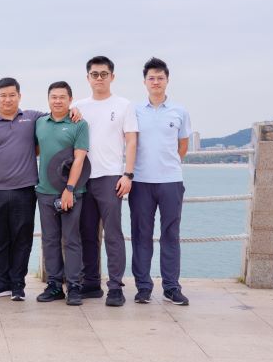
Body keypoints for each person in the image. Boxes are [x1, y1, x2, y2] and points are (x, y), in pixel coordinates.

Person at [0, 77, 79, 301]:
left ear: (19, 96)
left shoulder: (32, 118)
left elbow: (56, 113)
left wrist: (74, 110)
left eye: (12, 95)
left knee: (22, 240)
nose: (8, 99)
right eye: (3, 95)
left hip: (25, 191)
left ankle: (17, 285)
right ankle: (0, 283)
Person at [73, 56, 138, 307]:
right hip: (83, 177)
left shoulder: (123, 105)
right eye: (94, 74)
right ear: (87, 77)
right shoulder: (78, 106)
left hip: (110, 177)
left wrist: (127, 174)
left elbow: (131, 141)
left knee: (113, 234)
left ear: (112, 76)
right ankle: (91, 283)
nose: (99, 78)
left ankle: (115, 287)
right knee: (87, 233)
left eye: (103, 74)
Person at [129, 57, 192, 305]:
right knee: (141, 235)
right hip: (140, 182)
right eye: (151, 78)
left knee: (170, 235)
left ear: (167, 80)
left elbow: (183, 144)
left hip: (171, 182)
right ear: (144, 82)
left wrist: (169, 165)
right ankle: (143, 287)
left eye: (160, 78)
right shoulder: (134, 111)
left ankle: (171, 287)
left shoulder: (180, 111)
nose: (156, 82)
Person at [35, 82, 89, 306]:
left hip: (72, 192)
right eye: (54, 97)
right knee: (49, 240)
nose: (57, 101)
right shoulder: (40, 122)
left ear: (70, 99)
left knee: (72, 240)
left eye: (62, 97)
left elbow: (79, 159)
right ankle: (54, 285)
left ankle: (74, 286)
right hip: (45, 192)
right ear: (48, 99)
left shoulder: (79, 124)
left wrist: (69, 189)